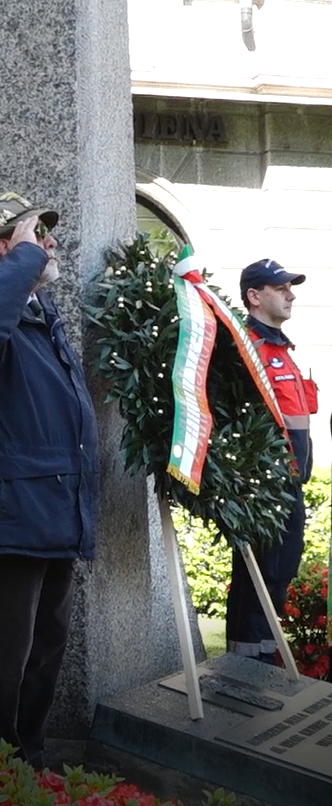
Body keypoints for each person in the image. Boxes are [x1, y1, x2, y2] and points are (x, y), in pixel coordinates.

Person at [0, 188, 99, 769]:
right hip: (12, 513)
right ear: (6, 249)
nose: (51, 244)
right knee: (2, 656)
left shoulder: (39, 315)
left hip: (55, 509)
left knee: (46, 650)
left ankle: (27, 763)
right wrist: (26, 257)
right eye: (37, 235)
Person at [226, 258, 318, 663]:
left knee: (278, 575)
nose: (290, 295)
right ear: (254, 296)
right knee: (256, 581)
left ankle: (266, 666)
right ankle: (246, 670)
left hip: (289, 485)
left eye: (290, 288)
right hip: (263, 489)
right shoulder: (245, 347)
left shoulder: (281, 349)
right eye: (281, 288)